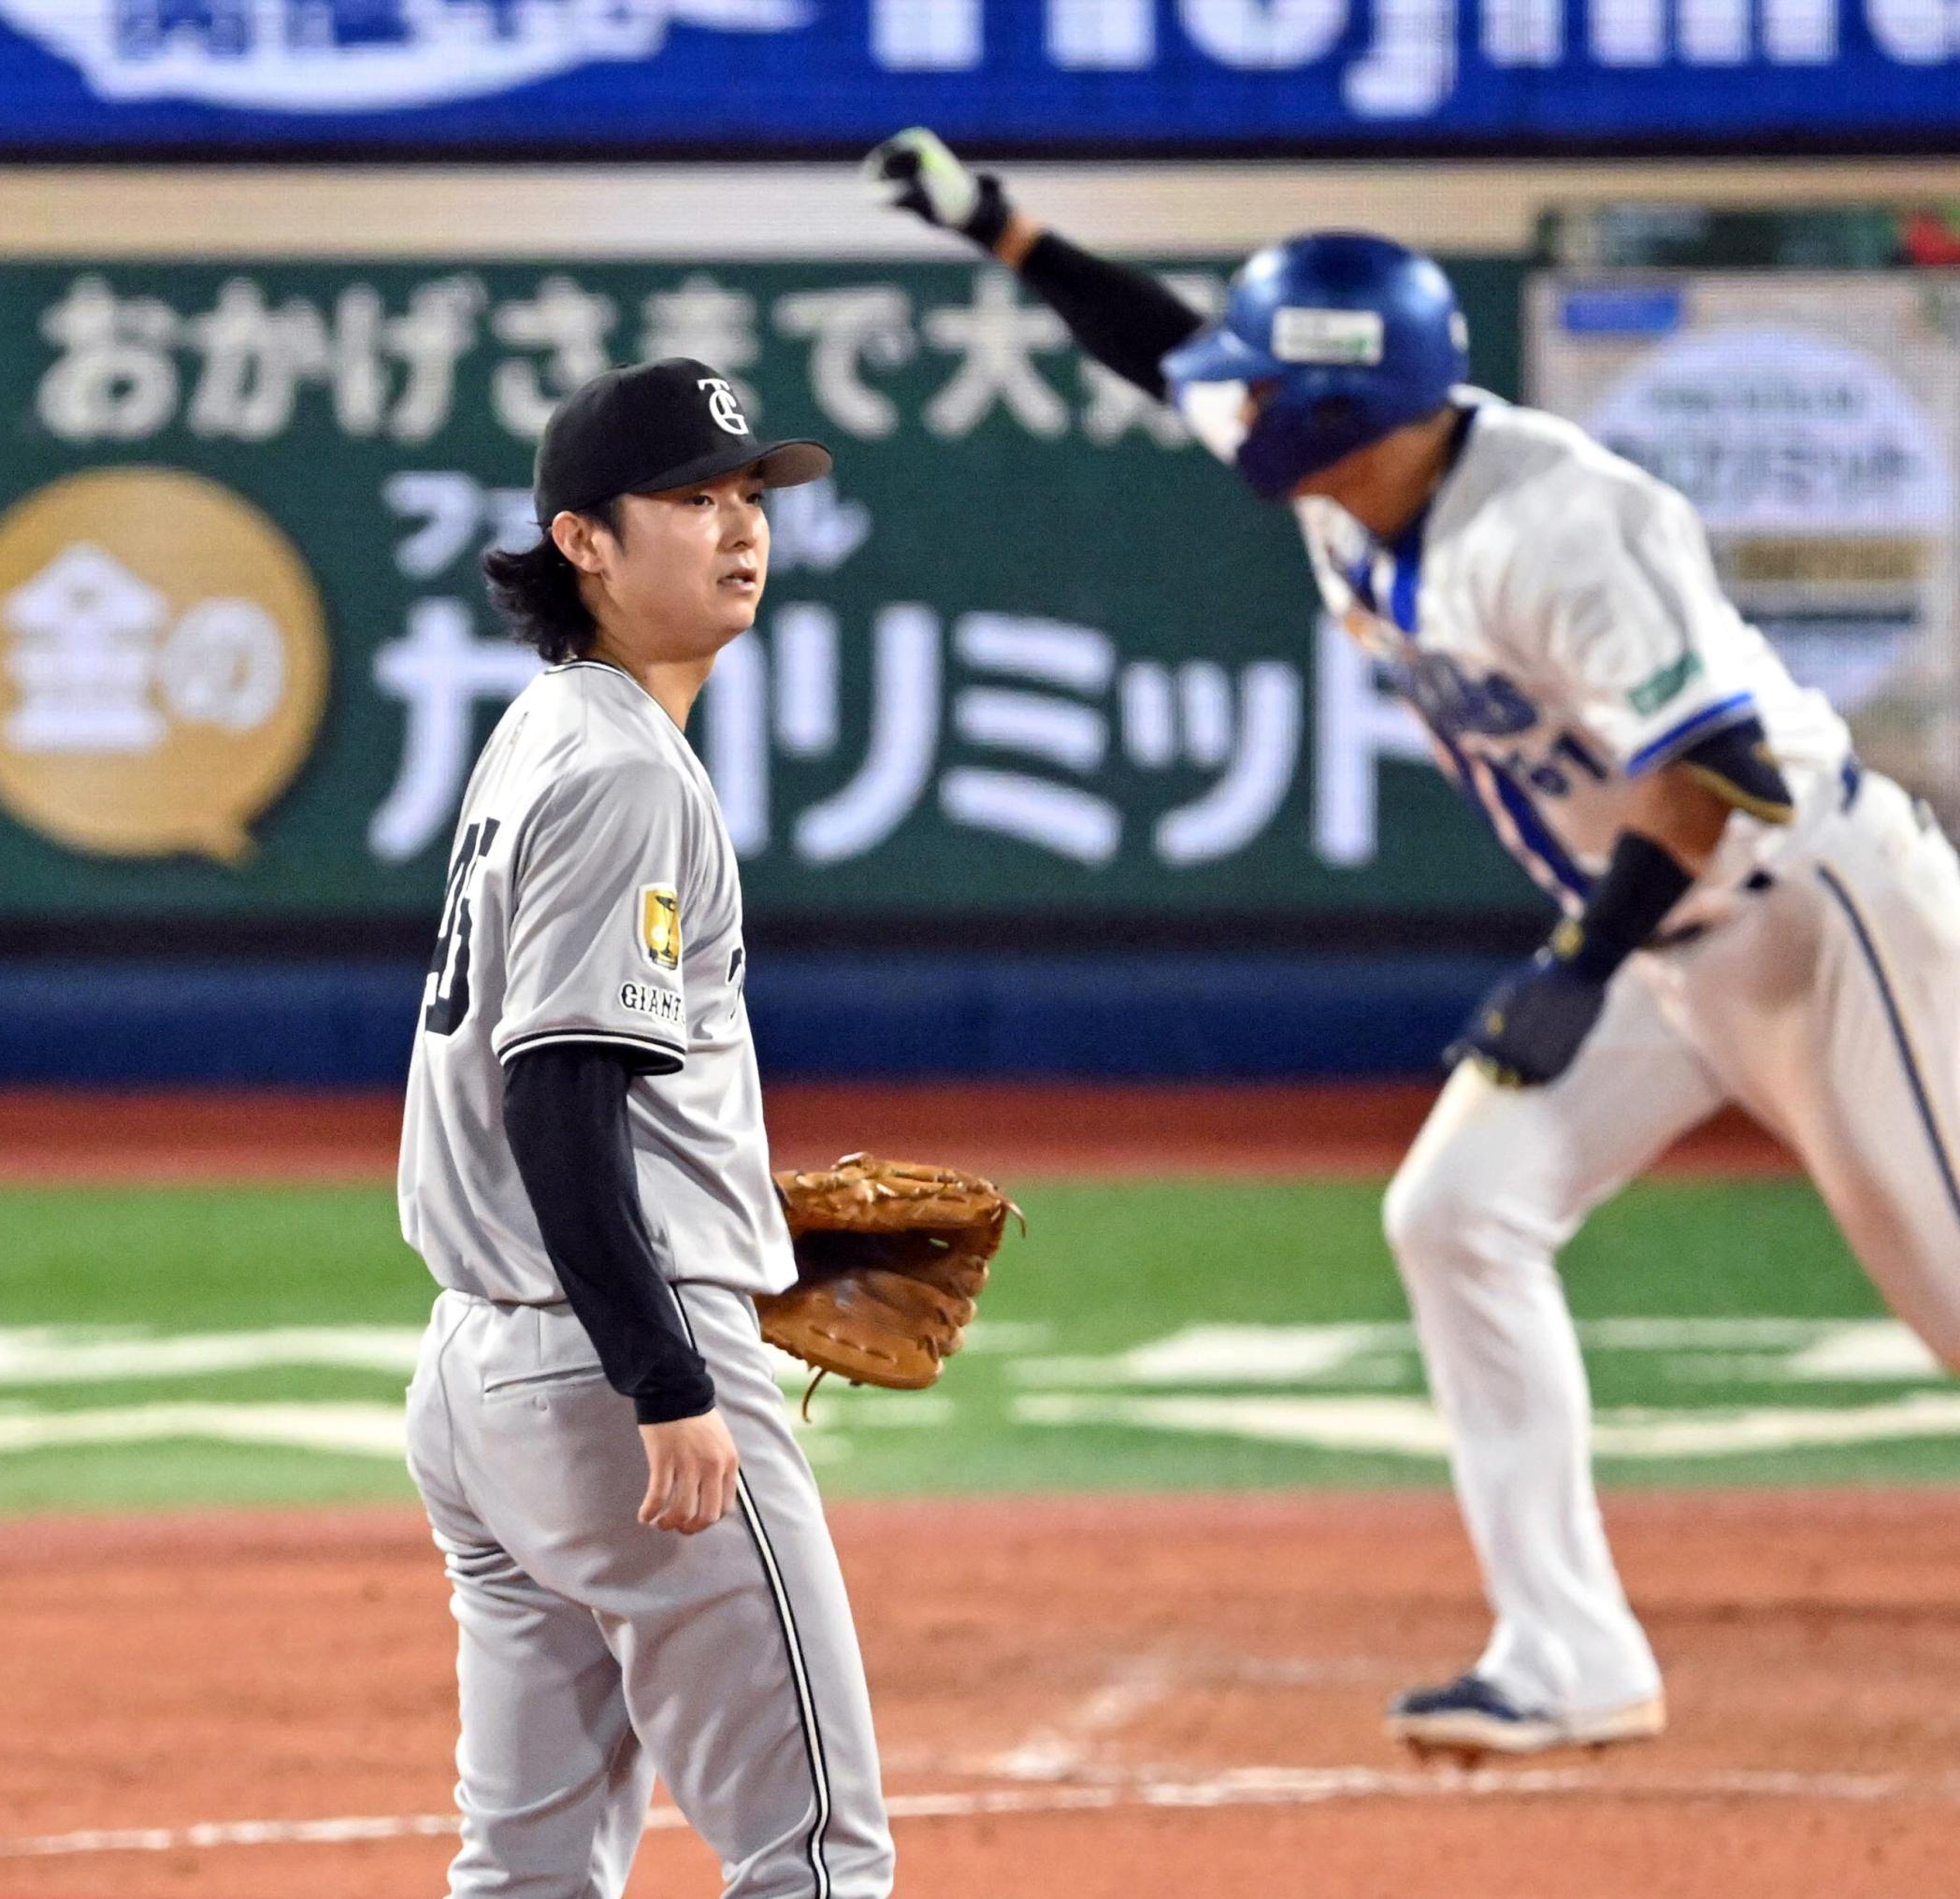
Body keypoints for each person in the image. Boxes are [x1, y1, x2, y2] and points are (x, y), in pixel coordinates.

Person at [865, 130, 1960, 1761]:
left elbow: (1715, 776)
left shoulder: (1571, 523)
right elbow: (1165, 346)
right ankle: (1570, 1654)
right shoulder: (1350, 458)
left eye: (1269, 381)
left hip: (1817, 906)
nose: (1236, 401)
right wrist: (1002, 227)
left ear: (1338, 405)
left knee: (1946, 1283)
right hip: (1662, 935)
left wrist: (1576, 973)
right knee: (1457, 1211)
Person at [398, 356, 896, 1894]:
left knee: (529, 1873)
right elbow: (556, 1097)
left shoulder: (550, 730)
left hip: (482, 1383)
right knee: (813, 1857)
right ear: (584, 543)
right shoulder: (620, 769)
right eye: (691, 499)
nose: (740, 528)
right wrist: (666, 1369)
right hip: (611, 1379)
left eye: (751, 496)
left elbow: (565, 1084)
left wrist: (731, 1220)